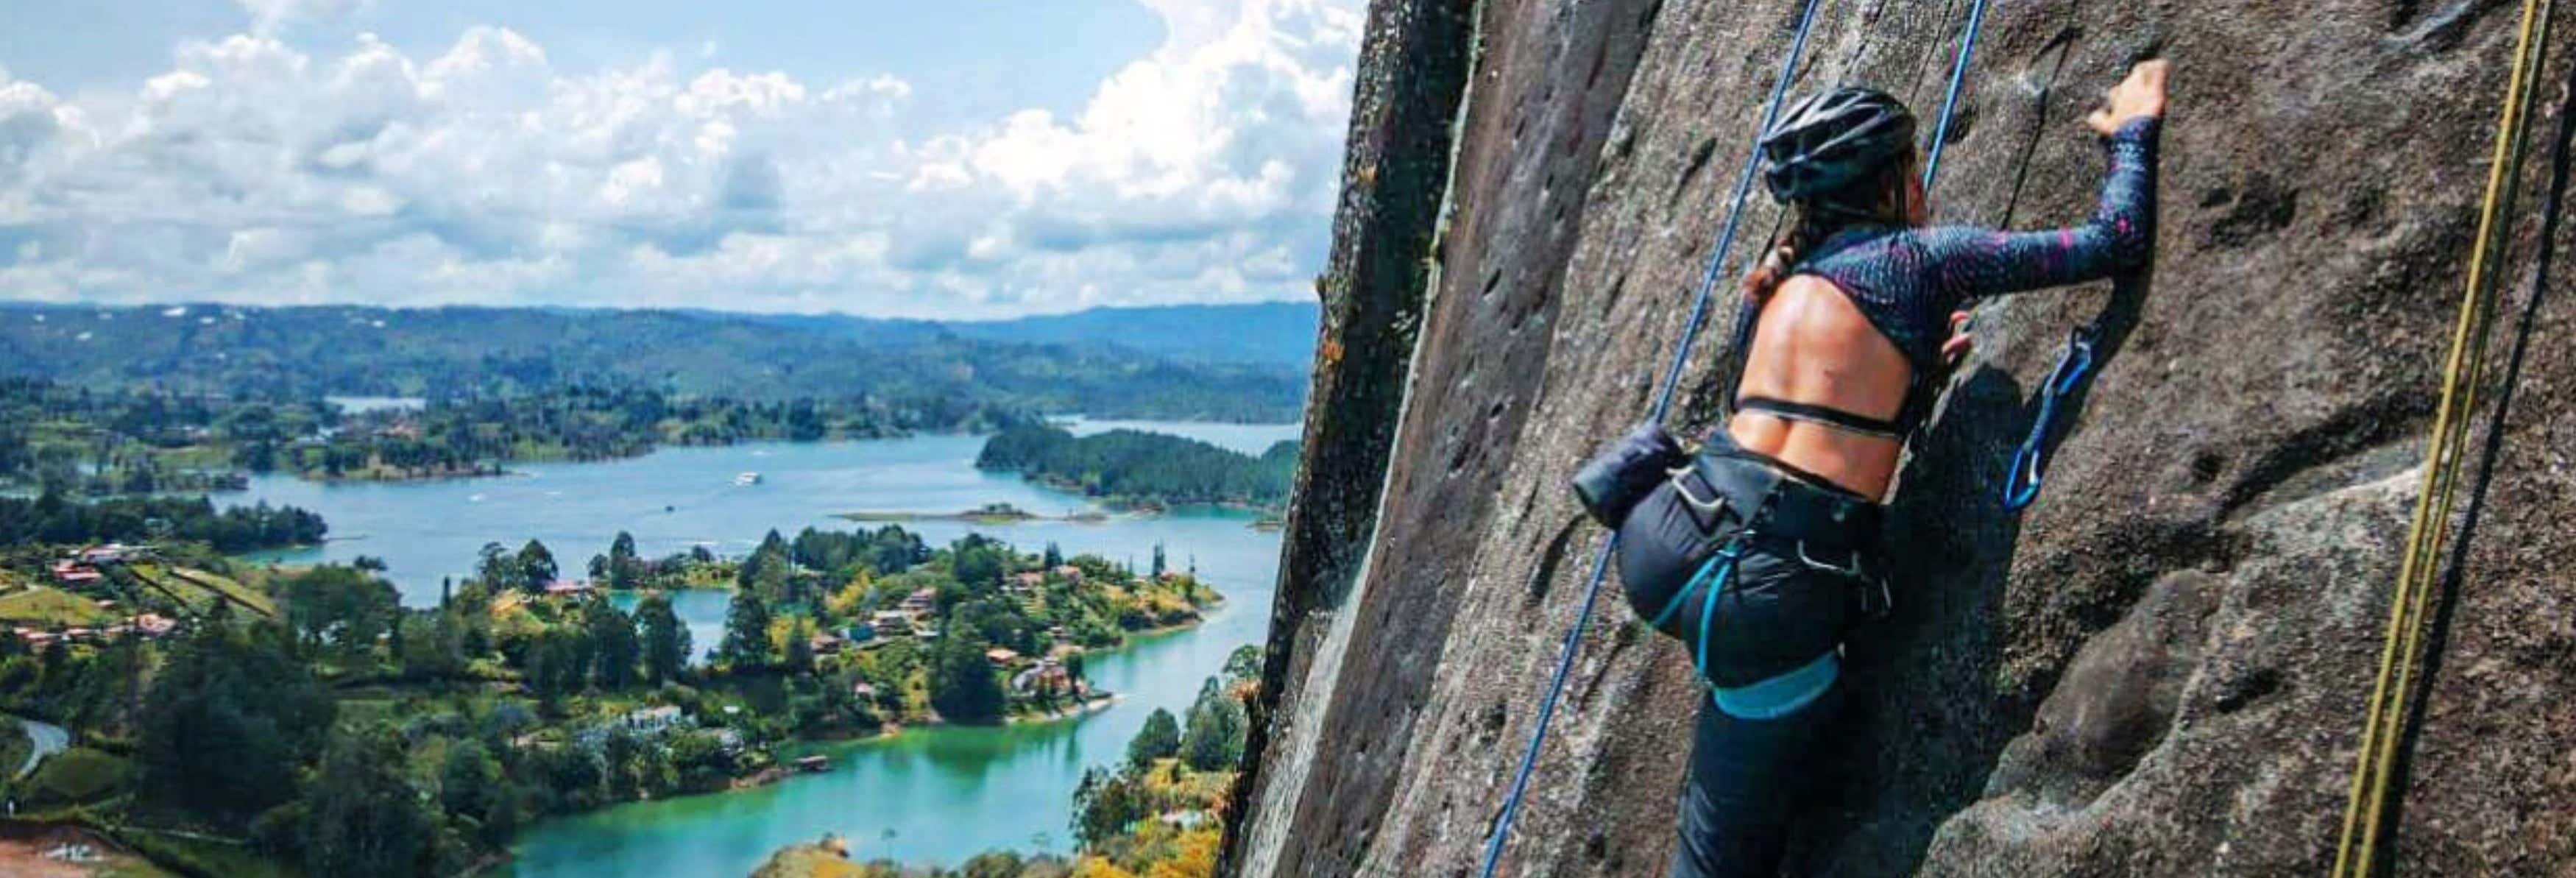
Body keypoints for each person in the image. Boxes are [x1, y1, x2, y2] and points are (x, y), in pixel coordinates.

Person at [1569, 60, 2170, 877]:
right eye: (1912, 165)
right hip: (1771, 586)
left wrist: (1916, 369)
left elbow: (1797, 409)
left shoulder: (1776, 291)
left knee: (1725, 794)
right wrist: (2132, 129)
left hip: (1667, 534)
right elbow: (2116, 243)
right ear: (1890, 179)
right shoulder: (1916, 262)